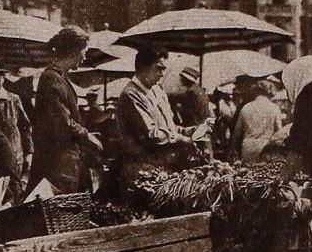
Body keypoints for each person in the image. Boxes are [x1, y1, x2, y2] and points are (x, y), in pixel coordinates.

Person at [29, 26, 103, 194]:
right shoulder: (51, 79)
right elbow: (63, 124)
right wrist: (87, 136)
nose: (84, 57)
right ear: (74, 51)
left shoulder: (59, 77)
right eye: (84, 51)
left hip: (61, 166)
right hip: (55, 167)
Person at [116, 44, 198, 192]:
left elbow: (169, 128)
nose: (162, 74)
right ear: (142, 66)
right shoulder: (131, 94)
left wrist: (190, 131)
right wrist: (181, 138)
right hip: (142, 172)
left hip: (164, 170)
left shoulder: (157, 91)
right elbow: (152, 135)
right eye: (159, 68)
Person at [228, 80, 282, 164]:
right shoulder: (274, 108)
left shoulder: (246, 108)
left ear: (255, 92)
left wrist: (233, 148)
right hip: (266, 147)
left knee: (248, 174)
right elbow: (279, 132)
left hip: (248, 146)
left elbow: (237, 132)